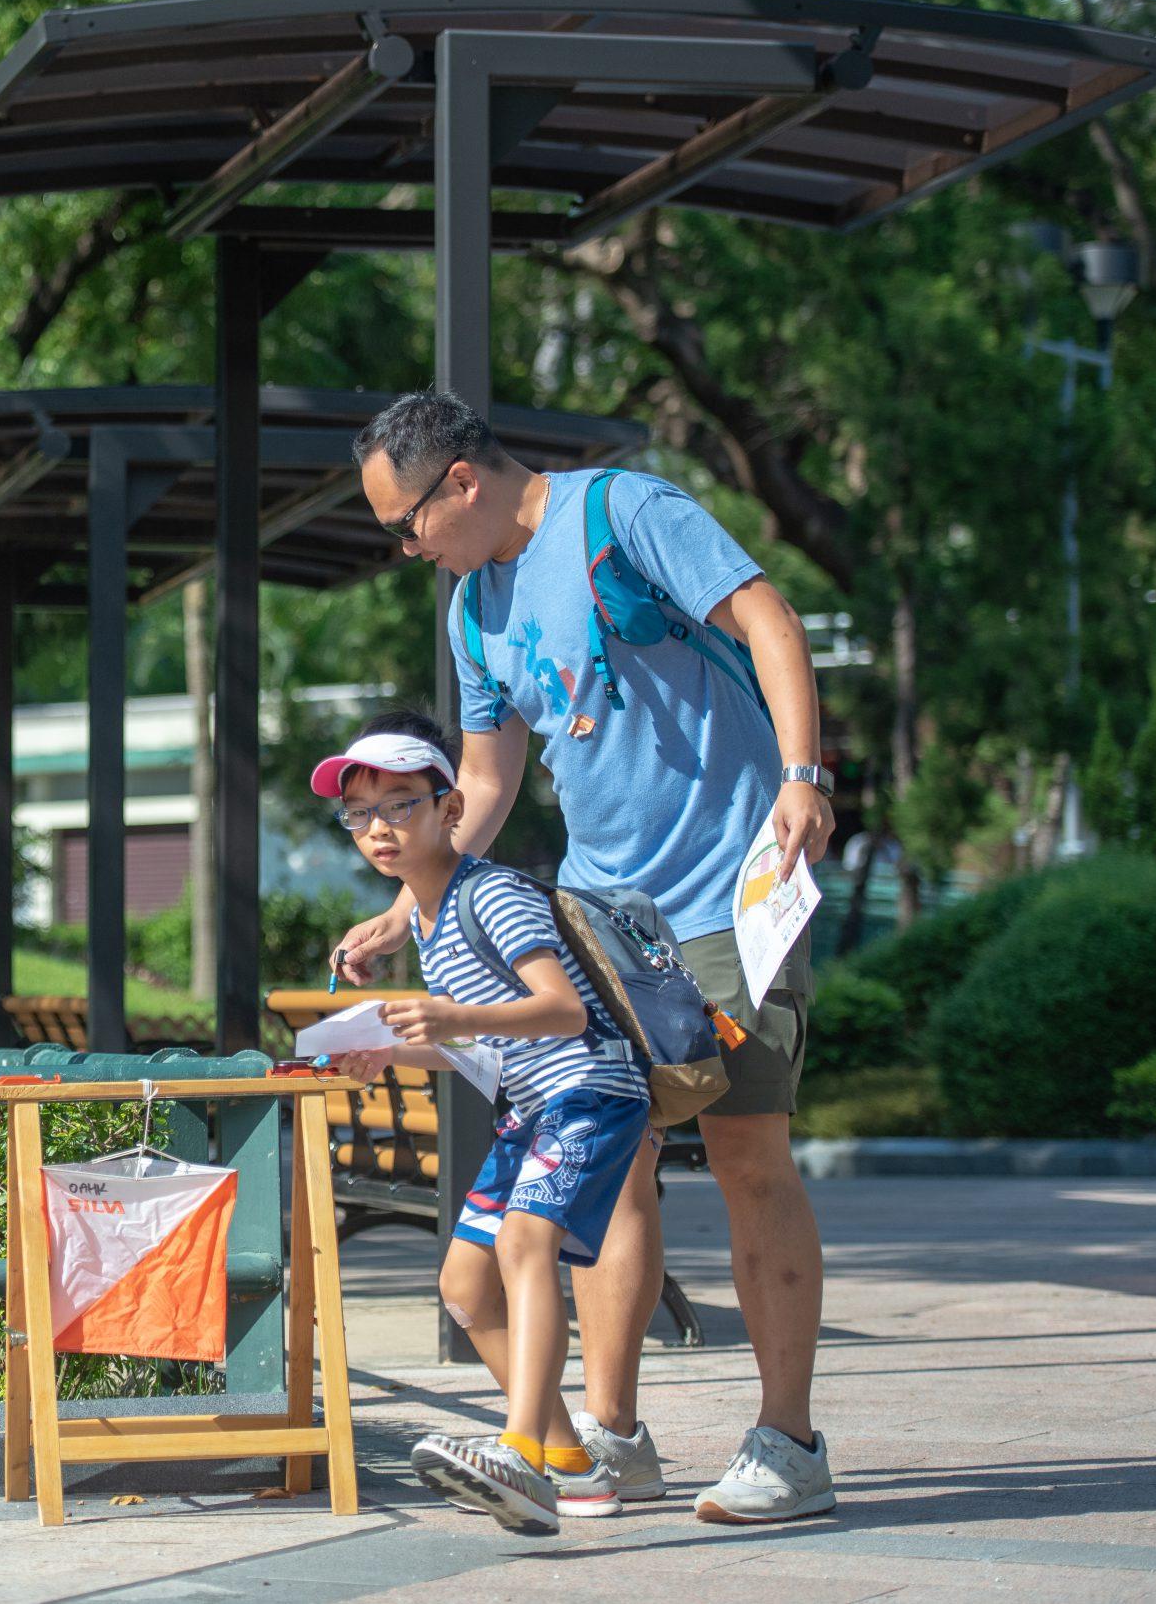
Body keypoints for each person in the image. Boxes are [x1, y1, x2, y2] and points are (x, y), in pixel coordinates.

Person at [336, 390, 837, 1525]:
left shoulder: (623, 514)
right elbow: (486, 778)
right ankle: (613, 1441)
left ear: (462, 480)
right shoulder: (474, 607)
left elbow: (770, 620)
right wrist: (410, 904)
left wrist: (803, 774)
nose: (407, 548)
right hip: (600, 914)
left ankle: (790, 1441)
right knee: (613, 1158)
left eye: (407, 524)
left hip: (728, 891)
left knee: (746, 1152)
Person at [312, 712, 650, 1532]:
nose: (379, 827)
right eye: (360, 813)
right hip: (530, 1107)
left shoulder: (491, 893)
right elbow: (483, 1047)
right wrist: (392, 1052)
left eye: (400, 804)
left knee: (523, 1244)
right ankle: (573, 1466)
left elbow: (563, 1010)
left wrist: (451, 1015)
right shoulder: (429, 922)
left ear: (450, 807)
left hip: (590, 1090)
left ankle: (521, 1453)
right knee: (464, 1285)